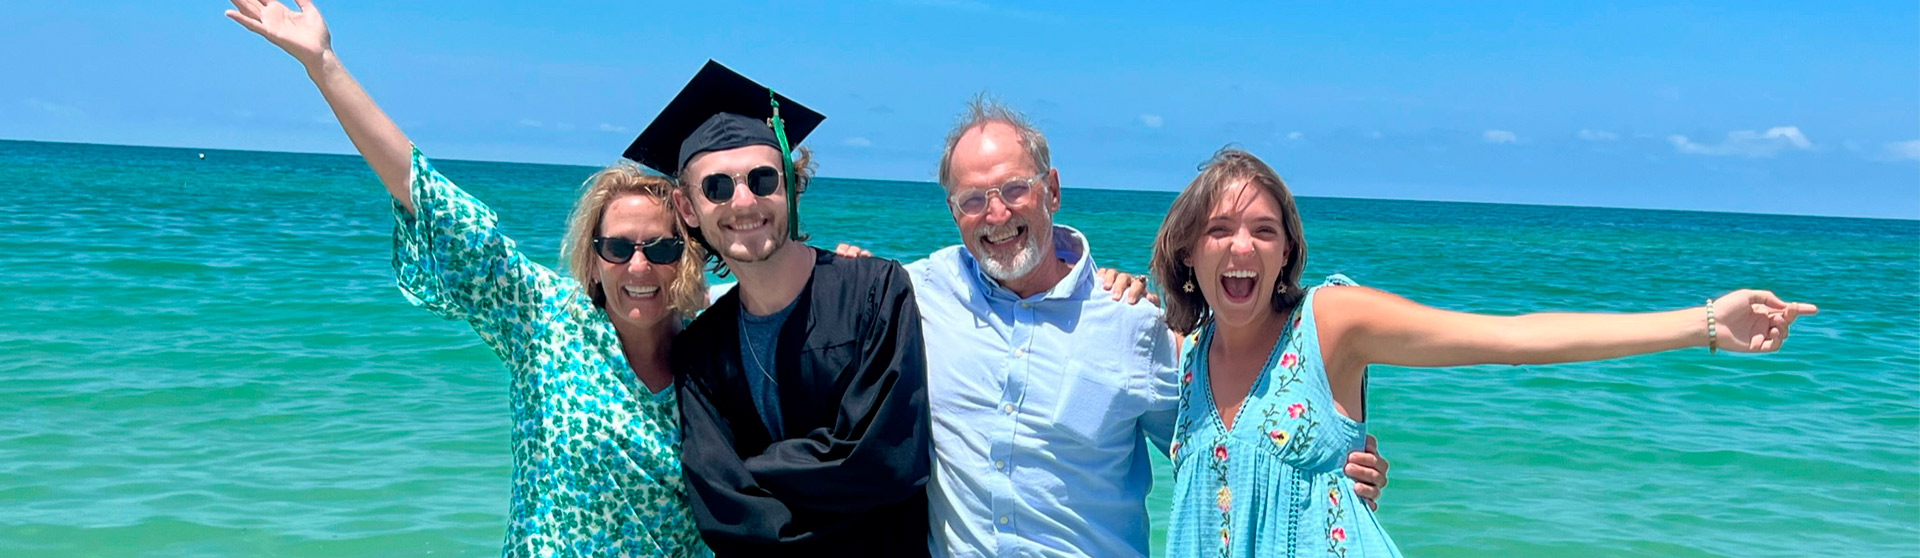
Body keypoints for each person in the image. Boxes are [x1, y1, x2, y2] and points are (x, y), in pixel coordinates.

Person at [1149, 147, 1819, 558]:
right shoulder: (1180, 359)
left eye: (1264, 230)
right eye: (1219, 229)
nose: (1242, 246)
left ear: (1288, 250)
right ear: (1187, 250)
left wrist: (1702, 323)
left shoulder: (1331, 323)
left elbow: (1510, 338)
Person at [224, 1, 710, 556]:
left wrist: (832, 271)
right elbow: (433, 201)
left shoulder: (715, 358)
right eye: (618, 248)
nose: (639, 267)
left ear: (687, 255)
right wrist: (324, 65)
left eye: (661, 247)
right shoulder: (546, 322)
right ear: (593, 258)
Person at [878, 98, 1389, 558]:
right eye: (973, 199)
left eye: (1015, 189)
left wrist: (1330, 464)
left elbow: (1225, 438)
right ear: (952, 212)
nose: (996, 213)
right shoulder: (917, 294)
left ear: (1051, 190)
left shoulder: (1131, 322)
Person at [624, 61, 932, 557]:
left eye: (762, 179)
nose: (743, 202)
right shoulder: (701, 351)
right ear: (687, 209)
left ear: (789, 184)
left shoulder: (875, 292)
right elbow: (722, 509)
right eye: (717, 187)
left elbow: (886, 462)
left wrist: (752, 465)